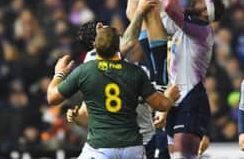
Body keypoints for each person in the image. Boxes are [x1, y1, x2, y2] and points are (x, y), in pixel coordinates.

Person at [47, 24, 180, 159]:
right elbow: (161, 105)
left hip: (101, 146)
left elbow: (52, 98)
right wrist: (170, 97)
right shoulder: (135, 72)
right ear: (118, 47)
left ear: (96, 46)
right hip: (132, 147)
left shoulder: (86, 71)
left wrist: (59, 74)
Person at [67, 0, 162, 158]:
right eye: (101, 30)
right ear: (97, 43)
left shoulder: (129, 69)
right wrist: (139, 11)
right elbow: (129, 41)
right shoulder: (95, 59)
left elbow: (88, 110)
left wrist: (77, 117)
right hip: (132, 140)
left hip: (137, 137)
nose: (105, 28)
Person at [160, 0, 222, 159]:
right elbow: (163, 11)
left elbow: (169, 6)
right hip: (176, 100)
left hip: (191, 99)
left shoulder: (203, 30)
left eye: (202, 1)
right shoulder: (184, 28)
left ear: (206, 13)